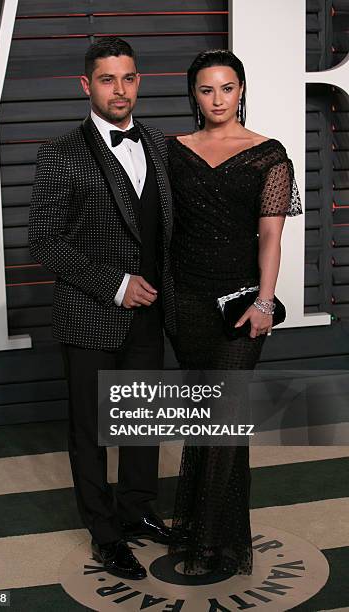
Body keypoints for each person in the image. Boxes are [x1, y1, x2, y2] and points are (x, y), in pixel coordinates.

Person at [28, 37, 175, 581]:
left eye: (129, 78)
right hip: (91, 312)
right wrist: (115, 285)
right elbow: (45, 240)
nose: (120, 89)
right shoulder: (60, 152)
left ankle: (138, 508)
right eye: (108, 79)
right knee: (90, 429)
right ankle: (105, 532)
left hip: (151, 314)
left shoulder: (160, 145)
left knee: (142, 418)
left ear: (139, 82)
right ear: (86, 86)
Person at [166, 50, 302, 576]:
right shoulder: (173, 152)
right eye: (207, 89)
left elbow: (271, 235)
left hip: (243, 304)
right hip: (186, 301)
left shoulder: (268, 154)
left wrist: (266, 301)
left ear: (241, 90)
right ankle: (220, 534)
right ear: (193, 95)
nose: (218, 99)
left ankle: (204, 546)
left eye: (227, 88)